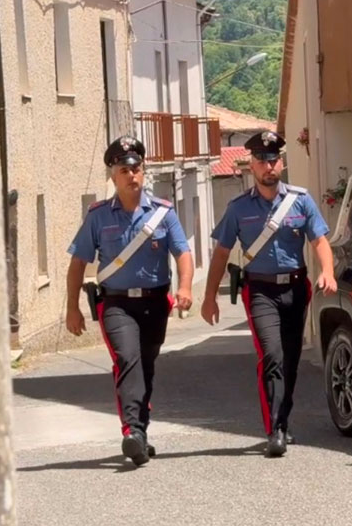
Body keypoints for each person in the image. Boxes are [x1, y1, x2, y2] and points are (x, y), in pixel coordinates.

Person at [200, 129, 337, 458]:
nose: (268, 166)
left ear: (282, 163)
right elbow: (221, 253)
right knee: (271, 355)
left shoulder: (300, 200)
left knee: (290, 359)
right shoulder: (237, 208)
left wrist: (327, 272)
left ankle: (284, 420)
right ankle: (274, 428)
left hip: (295, 286)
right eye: (261, 160)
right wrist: (208, 297)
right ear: (251, 165)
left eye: (273, 159)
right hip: (259, 288)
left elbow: (319, 241)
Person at [64, 135, 194, 467]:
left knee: (145, 367)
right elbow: (78, 263)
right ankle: (132, 431)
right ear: (113, 176)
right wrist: (72, 308)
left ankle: (141, 433)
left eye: (136, 168)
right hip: (116, 304)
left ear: (143, 170)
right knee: (128, 359)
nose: (131, 175)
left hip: (155, 303)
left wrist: (186, 288)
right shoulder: (98, 216)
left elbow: (182, 253)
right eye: (124, 169)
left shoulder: (163, 213)